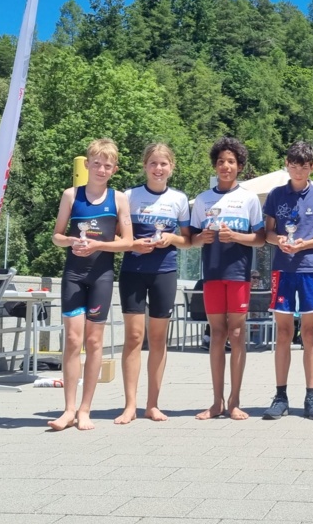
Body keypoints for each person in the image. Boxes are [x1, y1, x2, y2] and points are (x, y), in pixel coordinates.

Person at [48, 138, 133, 431]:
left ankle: (85, 409)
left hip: (101, 276)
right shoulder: (71, 195)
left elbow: (127, 242)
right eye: (96, 163)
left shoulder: (119, 199)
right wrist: (71, 241)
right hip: (73, 275)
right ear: (87, 164)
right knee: (73, 340)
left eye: (107, 165)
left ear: (114, 169)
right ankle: (68, 410)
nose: (101, 169)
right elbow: (57, 236)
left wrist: (98, 245)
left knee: (94, 342)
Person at [115, 144, 191, 425]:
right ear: (145, 166)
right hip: (133, 271)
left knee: (158, 339)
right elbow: (115, 236)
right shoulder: (129, 196)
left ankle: (152, 404)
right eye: (153, 163)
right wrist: (133, 244)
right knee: (134, 338)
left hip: (164, 272)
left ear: (172, 167)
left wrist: (171, 239)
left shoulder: (179, 199)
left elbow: (188, 240)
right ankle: (130, 405)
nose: (158, 169)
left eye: (163, 164)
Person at [190, 137, 265, 421]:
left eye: (231, 162)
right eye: (221, 161)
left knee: (236, 334)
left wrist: (235, 236)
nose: (225, 166)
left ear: (240, 166)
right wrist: (202, 237)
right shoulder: (203, 199)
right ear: (215, 165)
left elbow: (260, 239)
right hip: (211, 275)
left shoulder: (249, 199)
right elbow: (191, 239)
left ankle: (235, 401)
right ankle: (216, 402)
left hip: (238, 274)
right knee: (217, 334)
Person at [262, 141, 313, 420]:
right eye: (293, 166)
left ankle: (311, 396)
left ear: (312, 167)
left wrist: (306, 244)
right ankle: (280, 396)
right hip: (282, 269)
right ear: (286, 164)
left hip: (310, 269)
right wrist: (279, 240)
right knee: (282, 333)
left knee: (309, 333)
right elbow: (267, 233)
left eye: (303, 167)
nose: (298, 171)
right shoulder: (275, 194)